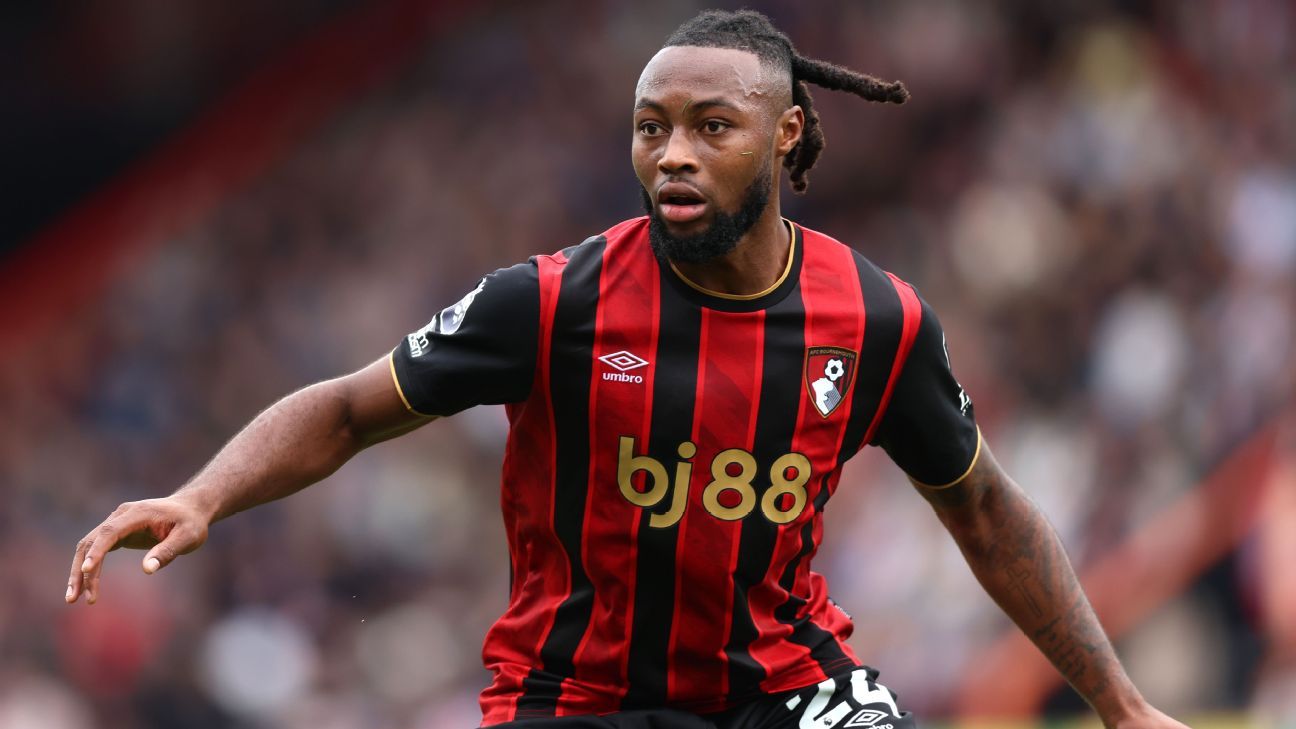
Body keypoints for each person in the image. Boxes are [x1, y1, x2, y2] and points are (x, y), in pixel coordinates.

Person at [66, 10, 1189, 729]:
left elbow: (984, 509)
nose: (673, 155)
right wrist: (203, 495)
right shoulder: (550, 303)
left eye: (712, 126)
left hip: (780, 684)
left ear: (787, 135)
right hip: (575, 695)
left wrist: (1122, 703)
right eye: (653, 128)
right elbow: (351, 410)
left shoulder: (877, 321)